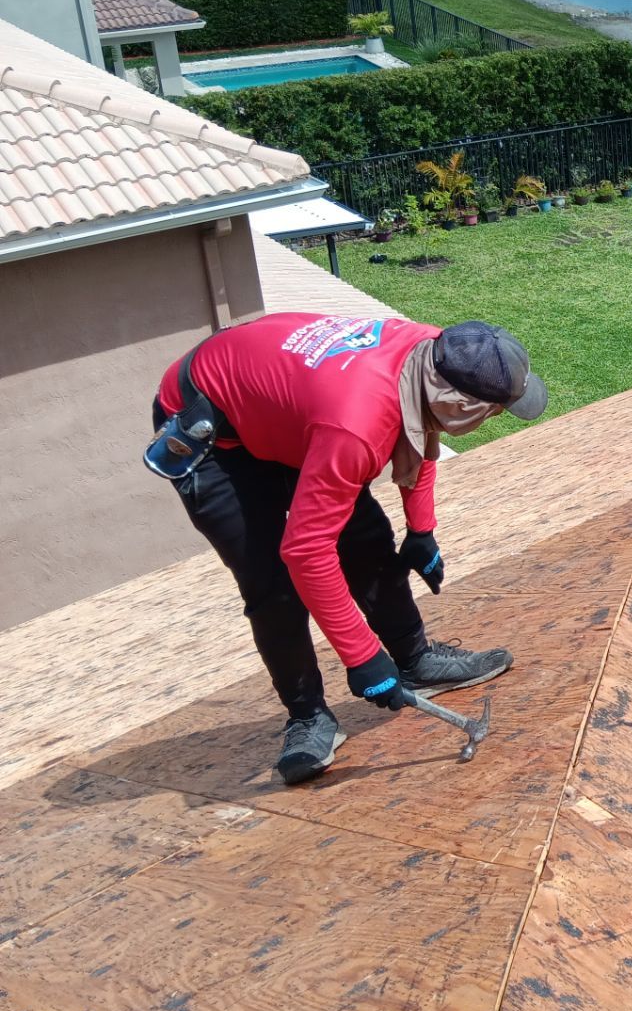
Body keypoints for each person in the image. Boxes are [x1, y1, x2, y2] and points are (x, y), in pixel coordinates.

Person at [150, 313, 548, 784]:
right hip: (215, 433)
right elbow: (306, 550)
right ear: (460, 402)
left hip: (290, 407)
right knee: (273, 585)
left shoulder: (436, 350)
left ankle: (415, 659)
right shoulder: (355, 426)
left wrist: (420, 530)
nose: (496, 418)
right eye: (495, 410)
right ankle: (307, 717)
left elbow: (422, 433)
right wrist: (361, 657)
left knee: (366, 540)